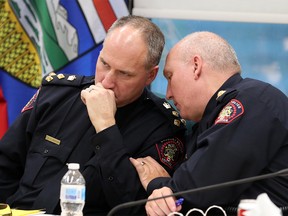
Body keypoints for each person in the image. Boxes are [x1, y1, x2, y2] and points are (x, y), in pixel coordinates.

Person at [0, 15, 187, 215]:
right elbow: (5, 166)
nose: (106, 82)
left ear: (150, 75)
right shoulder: (55, 95)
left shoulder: (163, 128)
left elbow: (133, 206)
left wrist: (106, 127)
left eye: (124, 74)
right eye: (104, 64)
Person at [130, 31, 288, 216]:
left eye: (170, 76)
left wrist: (157, 183)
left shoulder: (252, 100)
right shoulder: (211, 119)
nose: (168, 94)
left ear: (196, 66)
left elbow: (194, 191)